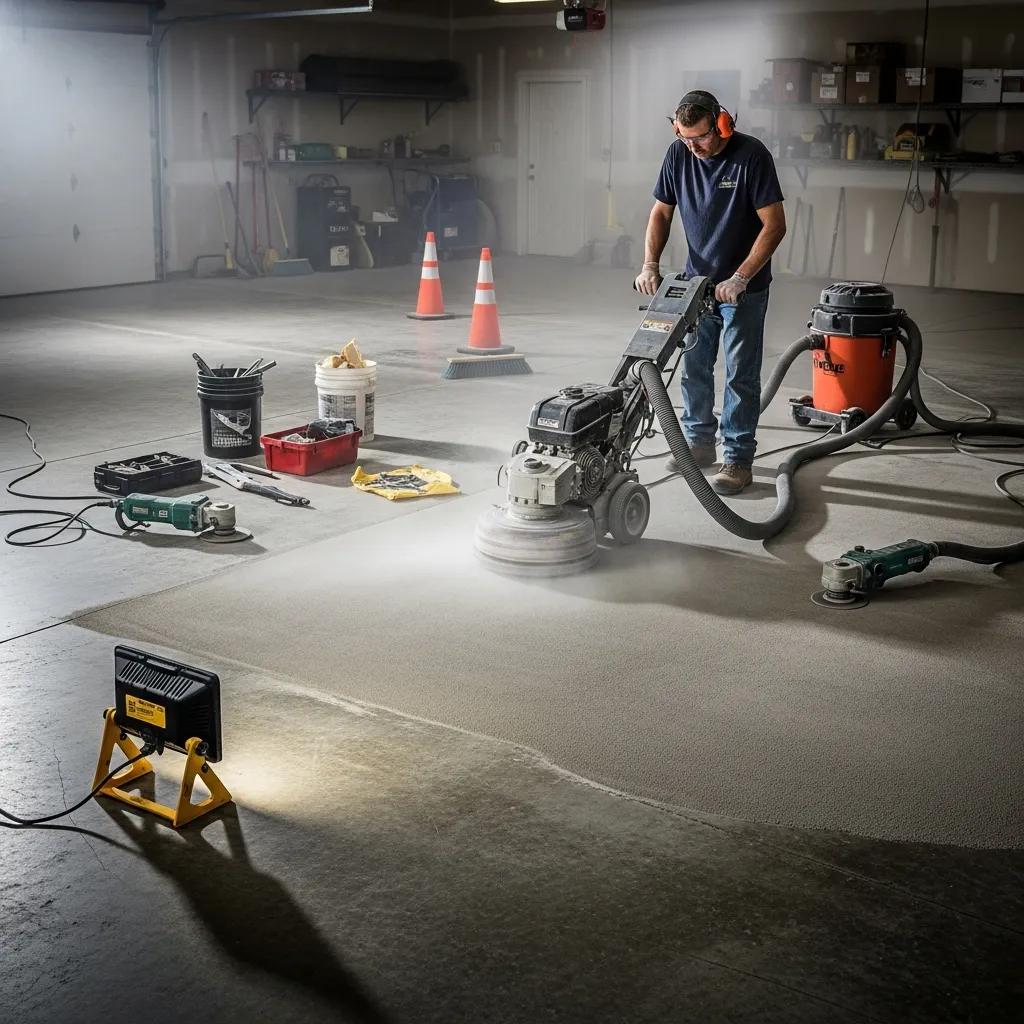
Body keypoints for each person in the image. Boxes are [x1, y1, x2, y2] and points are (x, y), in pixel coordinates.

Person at [634, 90, 786, 495]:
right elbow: (661, 212)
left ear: (722, 125)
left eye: (700, 138)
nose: (693, 148)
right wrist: (650, 264)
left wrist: (741, 277)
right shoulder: (677, 154)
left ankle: (737, 459)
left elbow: (774, 225)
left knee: (740, 374)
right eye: (685, 138)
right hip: (697, 285)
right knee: (695, 368)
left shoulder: (751, 156)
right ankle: (699, 444)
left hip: (743, 287)